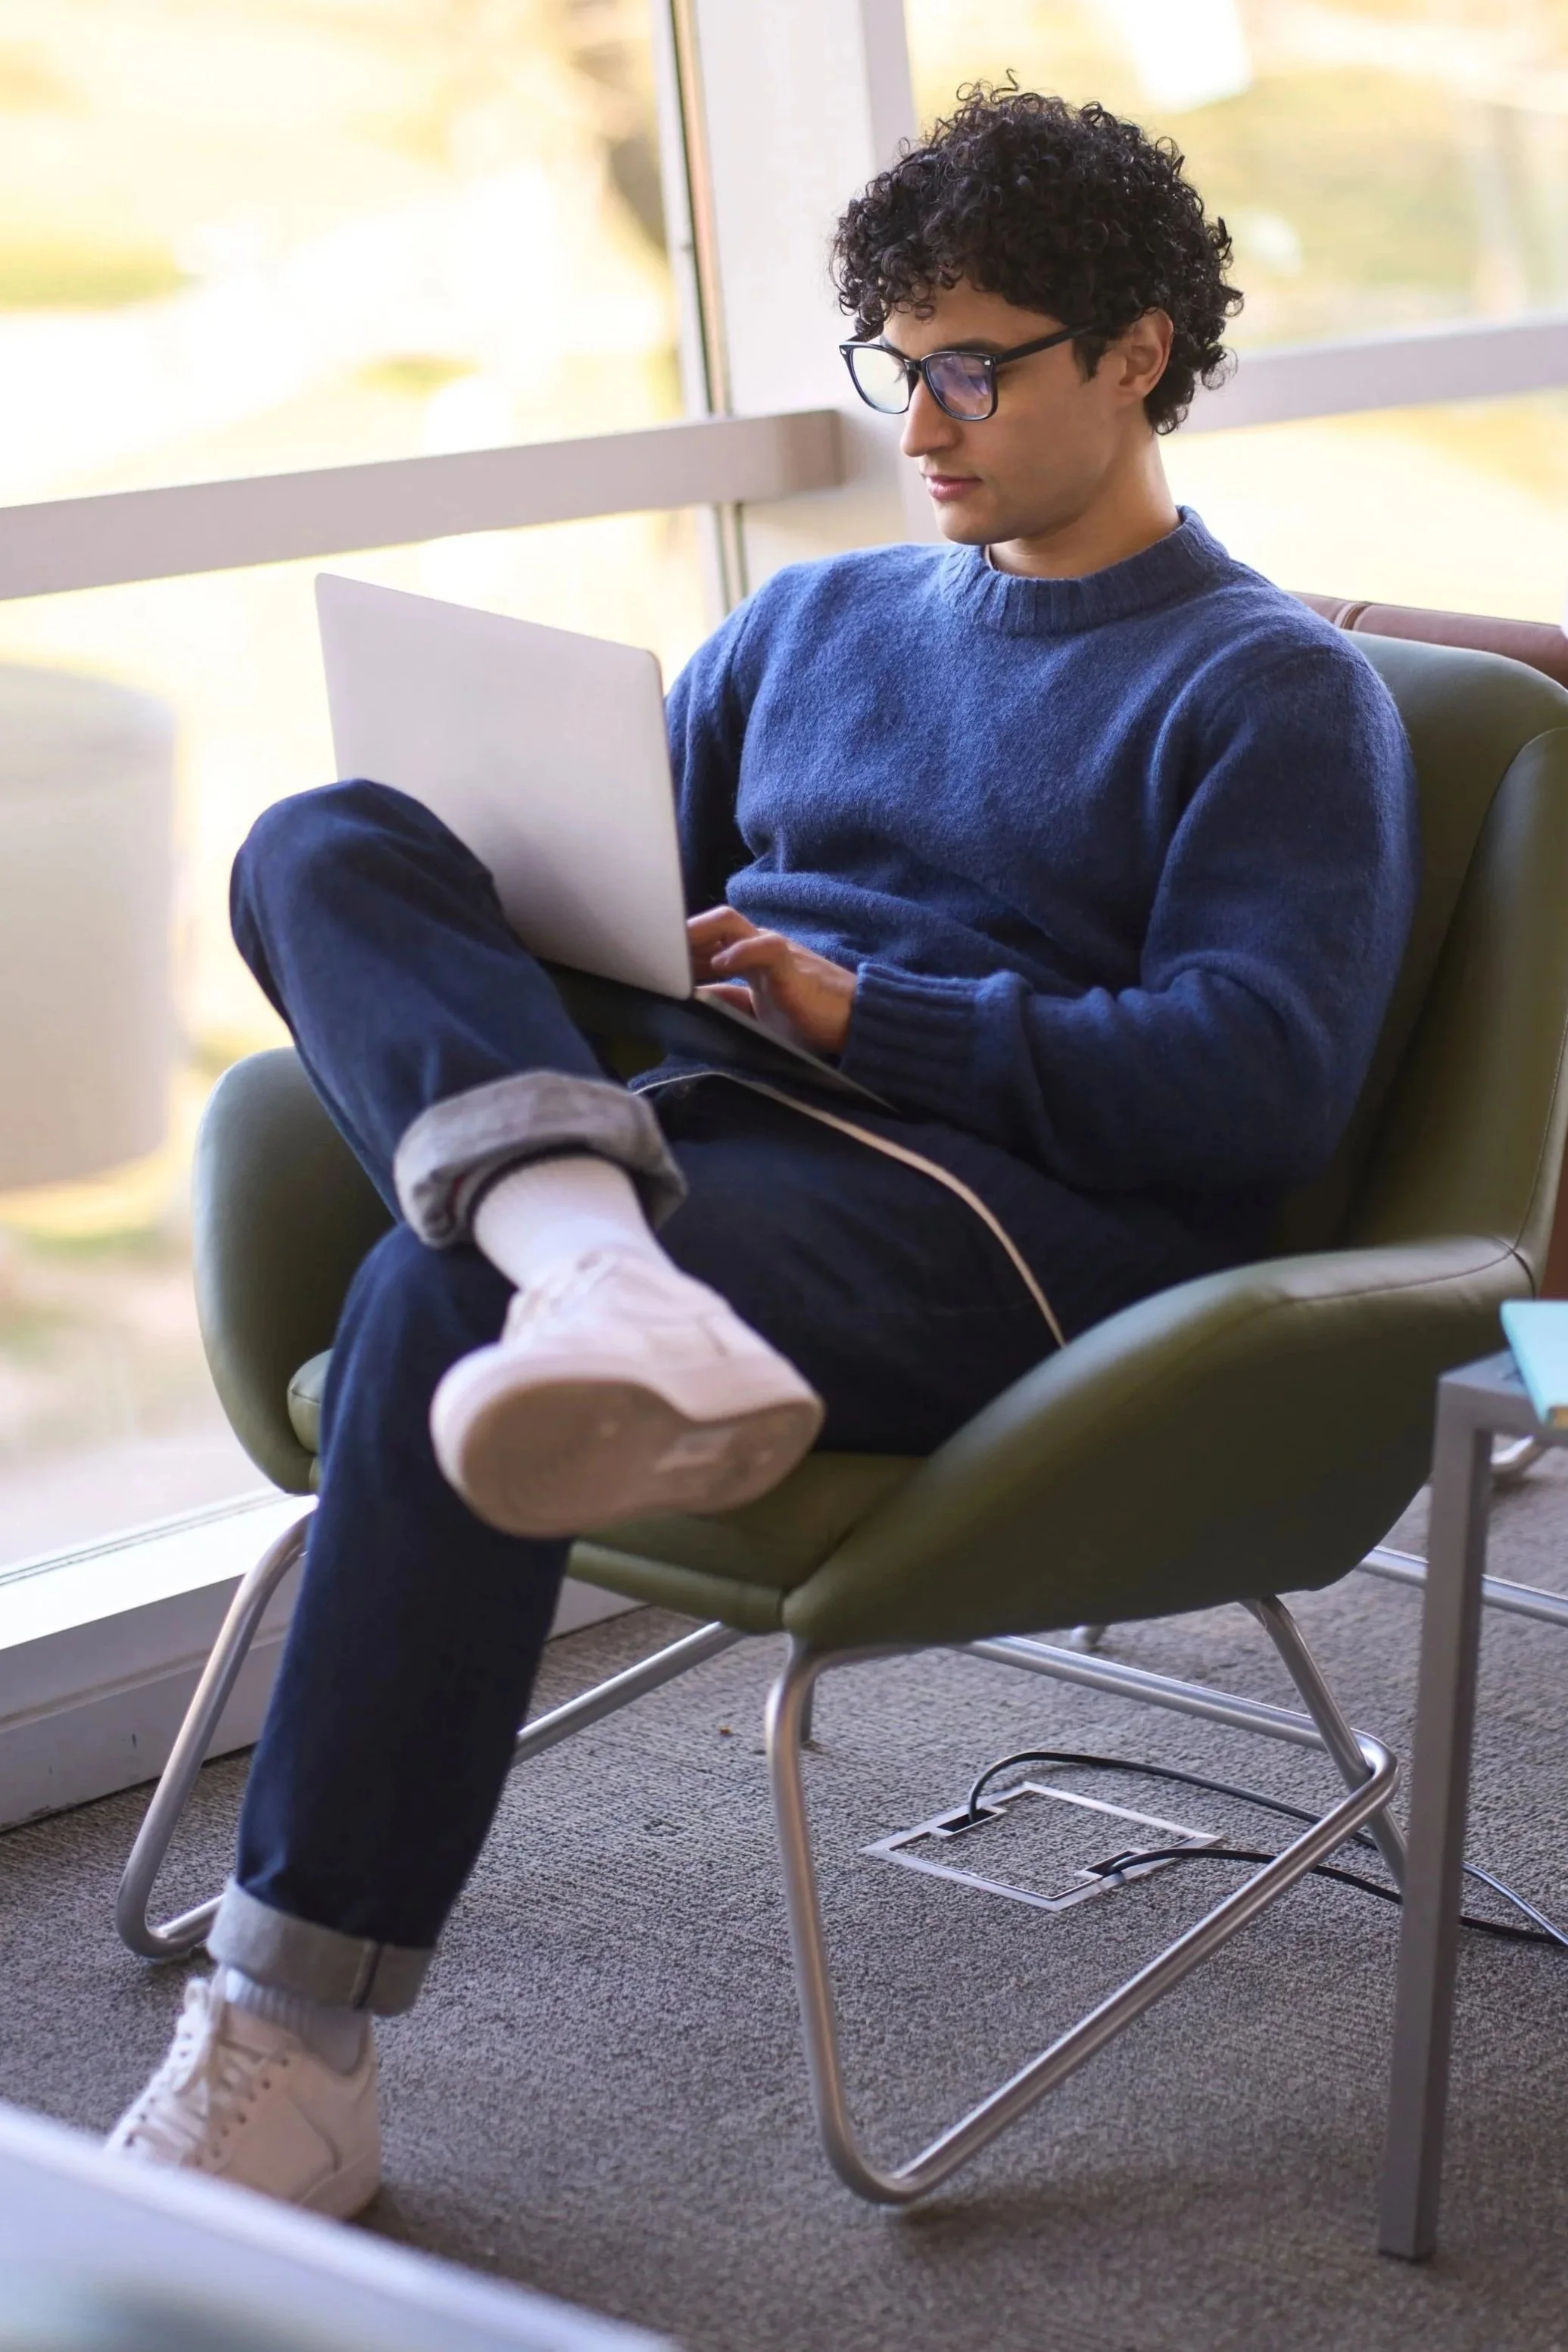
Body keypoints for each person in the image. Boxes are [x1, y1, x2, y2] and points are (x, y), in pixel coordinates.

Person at [107, 87, 1417, 2214]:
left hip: (989, 1223)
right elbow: (625, 889)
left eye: (976, 365)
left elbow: (1251, 1086)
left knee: (437, 1297)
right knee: (323, 841)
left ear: (1139, 351)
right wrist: (578, 913)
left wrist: (856, 1008)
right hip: (710, 1133)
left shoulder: (1268, 691)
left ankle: (290, 2034)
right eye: (898, 365)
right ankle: (588, 1255)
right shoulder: (813, 627)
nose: (924, 419)